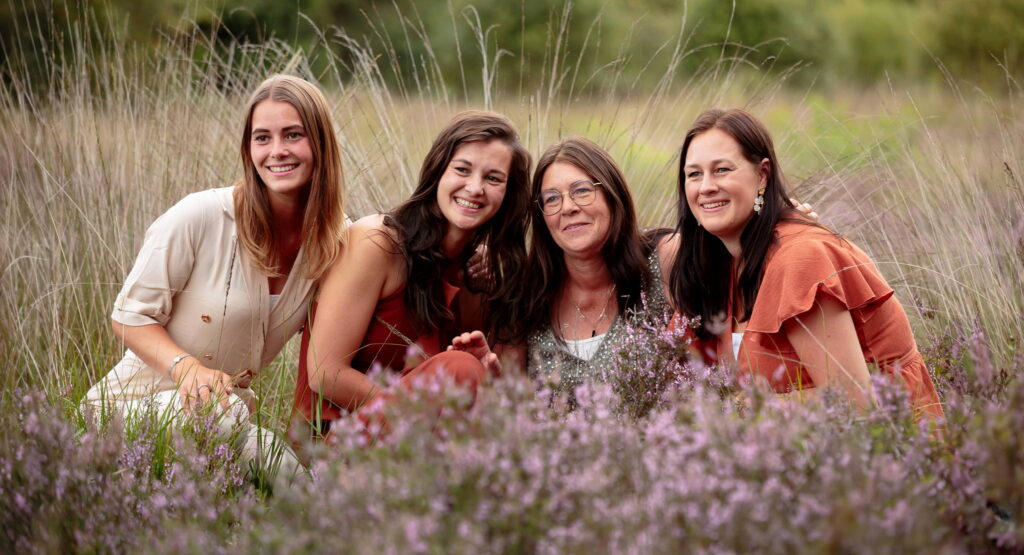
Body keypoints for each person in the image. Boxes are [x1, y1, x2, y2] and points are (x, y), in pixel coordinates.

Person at [84, 74, 348, 477]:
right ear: (248, 148)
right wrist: (187, 369)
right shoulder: (200, 215)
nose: (277, 151)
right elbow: (129, 316)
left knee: (304, 485)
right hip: (126, 411)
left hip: (229, 414)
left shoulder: (334, 242)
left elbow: (391, 260)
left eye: (293, 135)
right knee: (227, 419)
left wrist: (478, 263)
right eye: (262, 138)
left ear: (321, 143)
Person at [665, 108, 942, 419]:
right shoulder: (718, 262)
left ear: (762, 175)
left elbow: (852, 404)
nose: (706, 187)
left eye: (722, 170)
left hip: (887, 447)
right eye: (694, 174)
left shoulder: (800, 258)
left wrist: (735, 410)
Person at [294, 111, 531, 438]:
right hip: (337, 437)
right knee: (460, 369)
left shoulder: (477, 276)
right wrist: (416, 412)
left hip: (420, 446)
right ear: (438, 173)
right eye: (462, 169)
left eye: (493, 179)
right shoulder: (377, 243)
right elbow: (325, 374)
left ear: (508, 195)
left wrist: (487, 376)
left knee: (474, 371)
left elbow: (493, 391)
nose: (475, 188)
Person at [452, 138, 670, 400]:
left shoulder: (663, 261)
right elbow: (513, 410)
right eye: (552, 199)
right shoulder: (525, 295)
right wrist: (495, 380)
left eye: (582, 191)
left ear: (613, 195)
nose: (568, 207)